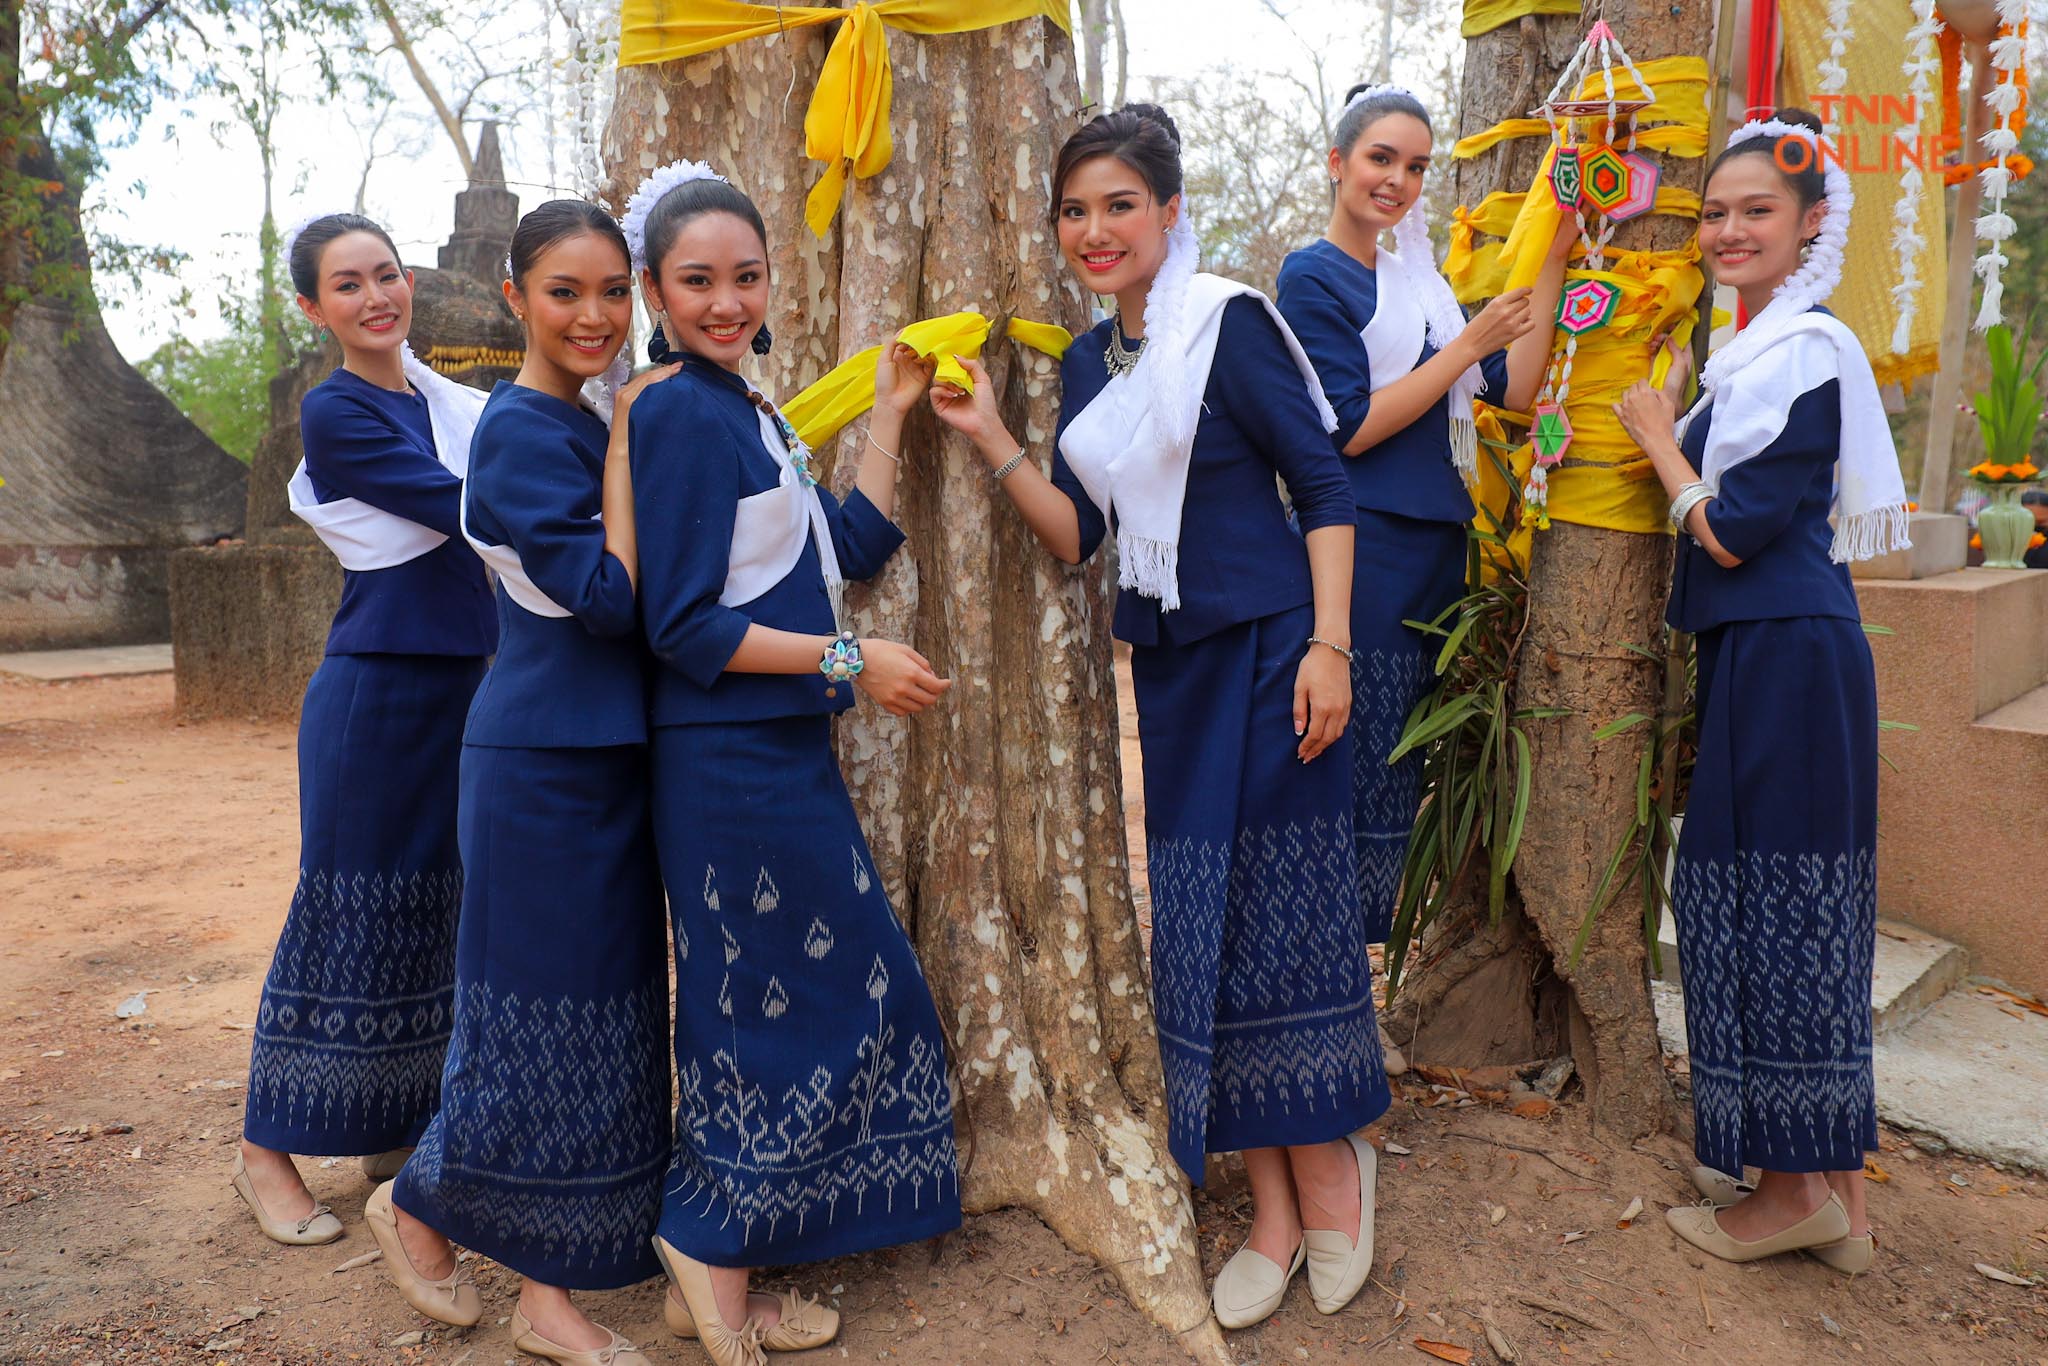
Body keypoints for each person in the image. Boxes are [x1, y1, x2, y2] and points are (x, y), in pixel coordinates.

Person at [928, 104, 1387, 1330]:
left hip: (1278, 650)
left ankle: (1329, 1170)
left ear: (1169, 211)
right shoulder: (1090, 364)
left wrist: (1330, 646)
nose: (1094, 229)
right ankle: (1270, 1207)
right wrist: (985, 438)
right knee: (1209, 929)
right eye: (1073, 210)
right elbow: (1082, 536)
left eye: (1118, 204)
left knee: (1285, 916)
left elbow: (1324, 481)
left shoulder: (1226, 321)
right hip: (1176, 673)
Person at [623, 160, 958, 1366]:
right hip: (724, 764)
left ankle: (713, 1264)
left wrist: (889, 411)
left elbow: (847, 547)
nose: (726, 300)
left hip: (775, 760)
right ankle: (711, 1257)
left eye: (745, 276)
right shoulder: (670, 410)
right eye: (697, 280)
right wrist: (846, 663)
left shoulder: (752, 409)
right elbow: (680, 626)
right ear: (653, 290)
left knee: (784, 995)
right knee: (779, 1001)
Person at [359, 200, 679, 1365]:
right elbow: (608, 599)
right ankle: (425, 1210)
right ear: (515, 300)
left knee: (603, 1028)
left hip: (606, 753)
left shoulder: (584, 414)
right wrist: (632, 447)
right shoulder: (520, 431)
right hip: (540, 761)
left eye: (612, 292)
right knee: (534, 1026)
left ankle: (547, 1289)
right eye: (564, 292)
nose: (593, 316)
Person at [1614, 107, 1909, 1276]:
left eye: (1756, 214)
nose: (1728, 231)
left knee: (1767, 900)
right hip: (1777, 654)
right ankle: (1831, 1186)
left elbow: (1732, 529)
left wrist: (1656, 438)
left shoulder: (1799, 353)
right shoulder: (1759, 352)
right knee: (1796, 901)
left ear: (1806, 227)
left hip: (1784, 653)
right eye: (1714, 213)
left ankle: (1788, 1193)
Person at [235, 213, 496, 1246]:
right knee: (345, 910)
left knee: (433, 904)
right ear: (313, 308)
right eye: (348, 285)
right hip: (378, 692)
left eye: (387, 275)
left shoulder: (447, 402)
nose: (376, 296)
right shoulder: (337, 411)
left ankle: (392, 1122)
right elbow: (461, 504)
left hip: (470, 686)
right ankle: (264, 1148)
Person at [1276, 84, 1569, 945]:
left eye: (1414, 166)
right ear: (1337, 164)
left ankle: (1369, 969)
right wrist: (1469, 347)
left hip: (1436, 550)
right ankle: (1320, 974)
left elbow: (1510, 390)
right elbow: (1351, 426)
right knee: (1353, 762)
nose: (1397, 180)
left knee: (1402, 767)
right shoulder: (1313, 274)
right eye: (1380, 159)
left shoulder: (1421, 282)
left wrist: (1551, 251)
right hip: (1362, 545)